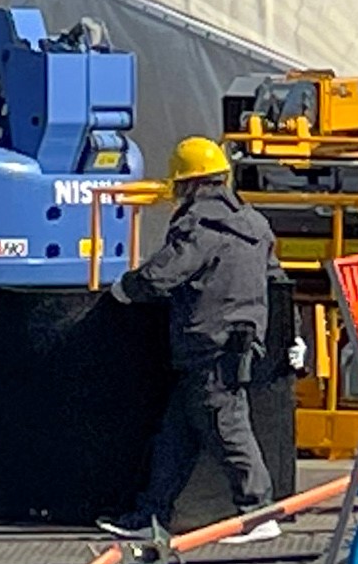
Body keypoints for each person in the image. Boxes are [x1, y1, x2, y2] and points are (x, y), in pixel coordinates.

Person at [107, 135, 283, 542]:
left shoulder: (200, 227)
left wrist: (123, 289)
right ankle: (152, 516)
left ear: (189, 183)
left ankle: (259, 512)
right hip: (238, 341)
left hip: (209, 344)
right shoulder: (255, 223)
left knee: (228, 427)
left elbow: (160, 275)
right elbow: (274, 279)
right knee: (177, 436)